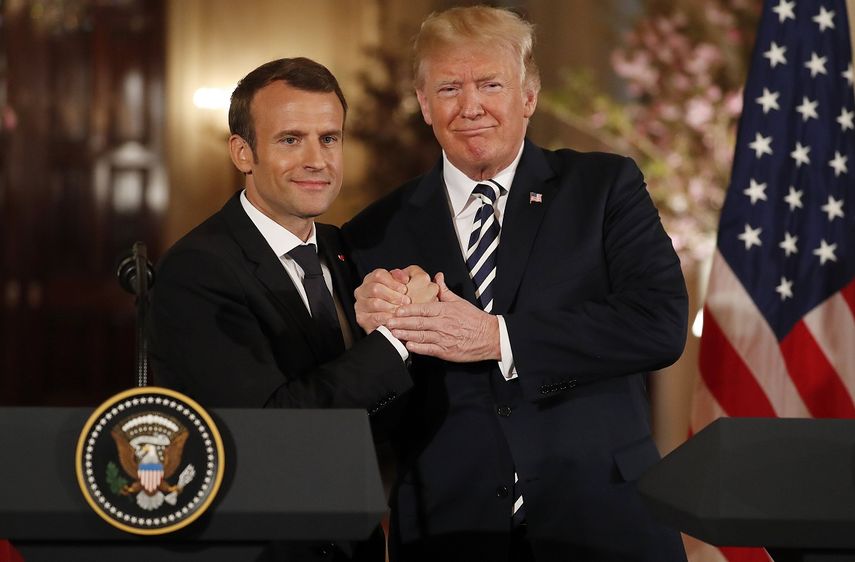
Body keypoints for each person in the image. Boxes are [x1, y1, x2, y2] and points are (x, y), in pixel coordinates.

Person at [342, 7, 689, 562]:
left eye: (490, 84)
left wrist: (500, 338)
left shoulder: (603, 188)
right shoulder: (371, 233)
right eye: (449, 87)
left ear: (528, 95)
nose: (470, 105)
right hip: (448, 529)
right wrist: (375, 343)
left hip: (602, 522)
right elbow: (370, 419)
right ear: (424, 102)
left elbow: (660, 325)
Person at [148, 57, 435, 561]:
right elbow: (270, 431)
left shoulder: (342, 249)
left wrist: (414, 310)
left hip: (352, 541)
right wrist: (396, 339)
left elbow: (373, 417)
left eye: (329, 138)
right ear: (243, 152)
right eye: (290, 139)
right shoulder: (197, 269)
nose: (316, 159)